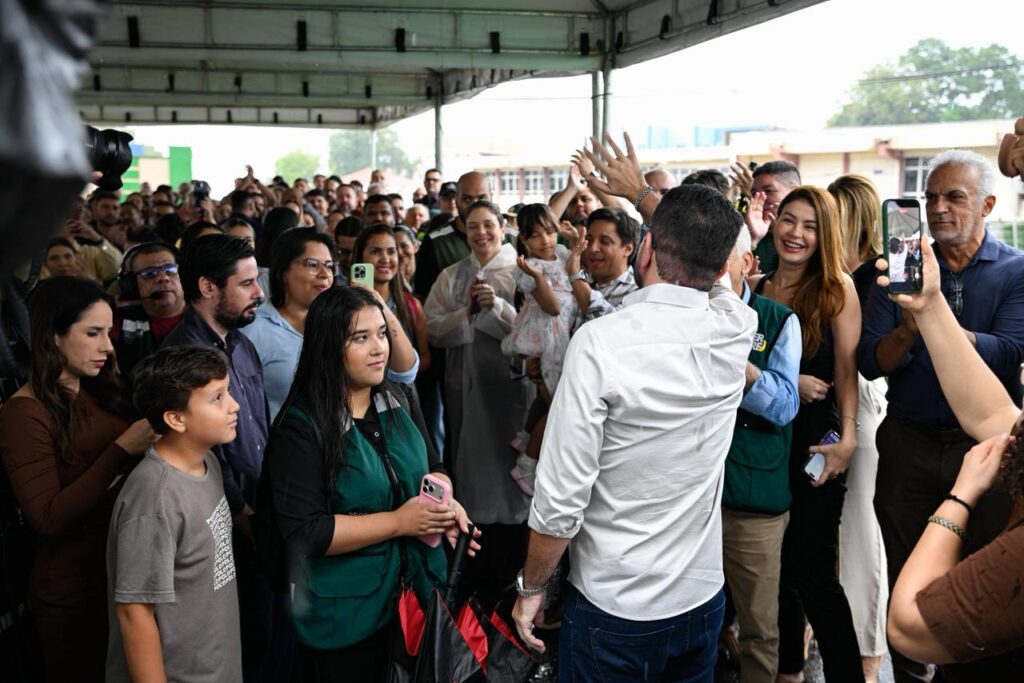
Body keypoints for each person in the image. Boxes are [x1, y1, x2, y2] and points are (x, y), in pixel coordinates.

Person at [511, 183, 756, 679]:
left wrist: (532, 588)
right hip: (700, 596)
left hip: (615, 604)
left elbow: (562, 497)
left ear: (644, 249)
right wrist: (648, 198)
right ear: (722, 268)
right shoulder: (736, 326)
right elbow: (714, 273)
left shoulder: (600, 343)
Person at [857, 150, 1024, 683]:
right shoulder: (898, 266)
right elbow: (871, 361)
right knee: (907, 566)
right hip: (908, 443)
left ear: (988, 205)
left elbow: (1008, 353)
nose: (938, 209)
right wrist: (909, 326)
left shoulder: (1016, 269)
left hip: (987, 450)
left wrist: (935, 315)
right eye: (930, 198)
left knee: (983, 579)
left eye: (955, 197)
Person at [264, 286, 478, 681]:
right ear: (328, 346)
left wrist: (445, 507)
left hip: (418, 598)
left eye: (381, 333)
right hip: (348, 618)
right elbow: (305, 532)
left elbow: (433, 465)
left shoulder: (399, 397)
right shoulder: (301, 427)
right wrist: (399, 522)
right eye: (360, 338)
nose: (379, 348)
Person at [0, 277, 156, 683]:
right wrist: (120, 450)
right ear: (52, 336)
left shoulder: (97, 388)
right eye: (93, 333)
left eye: (109, 332)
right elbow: (47, 517)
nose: (108, 345)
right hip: (75, 591)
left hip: (122, 573)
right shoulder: (23, 413)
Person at [747, 186, 862, 682]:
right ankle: (789, 670)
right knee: (776, 570)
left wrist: (848, 441)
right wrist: (790, 381)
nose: (796, 233)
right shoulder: (756, 286)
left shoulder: (837, 289)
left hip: (817, 442)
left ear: (825, 235)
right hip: (763, 443)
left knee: (814, 572)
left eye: (810, 226)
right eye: (788, 220)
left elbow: (847, 374)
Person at [160, 234, 273, 681]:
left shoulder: (241, 343)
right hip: (224, 522)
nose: (259, 293)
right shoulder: (183, 355)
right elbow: (201, 450)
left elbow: (259, 428)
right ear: (208, 287)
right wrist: (242, 511)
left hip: (257, 510)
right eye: (245, 284)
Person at [105, 346, 243, 683]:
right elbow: (134, 613)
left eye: (228, 391)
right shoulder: (154, 497)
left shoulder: (207, 461)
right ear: (176, 419)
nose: (234, 405)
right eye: (217, 398)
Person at [425, 200, 532, 606]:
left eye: (488, 225)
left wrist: (498, 308)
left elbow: (536, 331)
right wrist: (467, 313)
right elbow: (433, 330)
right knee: (473, 473)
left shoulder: (522, 272)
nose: (481, 233)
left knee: (514, 480)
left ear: (503, 228)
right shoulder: (452, 275)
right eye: (473, 227)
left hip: (511, 393)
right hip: (467, 392)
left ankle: (516, 575)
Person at [721, 227, 802, 683]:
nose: (713, 270)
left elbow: (786, 405)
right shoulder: (684, 314)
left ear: (748, 263)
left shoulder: (777, 320)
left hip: (753, 500)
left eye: (723, 258)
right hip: (691, 494)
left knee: (759, 626)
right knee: (689, 617)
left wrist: (739, 364)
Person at [828, 174, 890, 683]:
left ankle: (868, 657)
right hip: (837, 402)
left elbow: (863, 357)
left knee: (860, 535)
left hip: (863, 403)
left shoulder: (877, 276)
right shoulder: (838, 274)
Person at [500, 204, 576, 496]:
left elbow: (577, 274)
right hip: (548, 342)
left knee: (546, 400)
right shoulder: (527, 270)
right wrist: (539, 277)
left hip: (564, 338)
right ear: (523, 239)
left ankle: (525, 437)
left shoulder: (563, 253)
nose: (545, 240)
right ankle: (527, 464)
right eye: (535, 235)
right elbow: (553, 307)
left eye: (550, 231)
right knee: (557, 405)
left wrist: (577, 243)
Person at [353, 224, 430, 375]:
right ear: (361, 257)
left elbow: (425, 357)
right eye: (375, 251)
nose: (385, 259)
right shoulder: (343, 306)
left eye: (391, 251)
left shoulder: (412, 306)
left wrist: (395, 372)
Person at [110, 243, 186, 378]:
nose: (164, 278)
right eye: (149, 274)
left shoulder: (204, 315)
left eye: (170, 270)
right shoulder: (119, 319)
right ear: (132, 285)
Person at [565, 206, 640, 331]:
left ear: (627, 249)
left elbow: (610, 327)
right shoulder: (584, 281)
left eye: (604, 241)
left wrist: (575, 276)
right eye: (589, 240)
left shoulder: (637, 292)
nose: (593, 248)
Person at [749, 161, 801, 274]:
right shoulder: (748, 235)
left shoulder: (809, 236)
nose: (760, 198)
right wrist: (752, 239)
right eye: (754, 194)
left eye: (769, 191)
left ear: (794, 191)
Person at [394, 224, 419, 289]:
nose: (399, 252)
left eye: (404, 246)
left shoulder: (428, 275)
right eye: (394, 248)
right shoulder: (386, 278)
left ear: (415, 247)